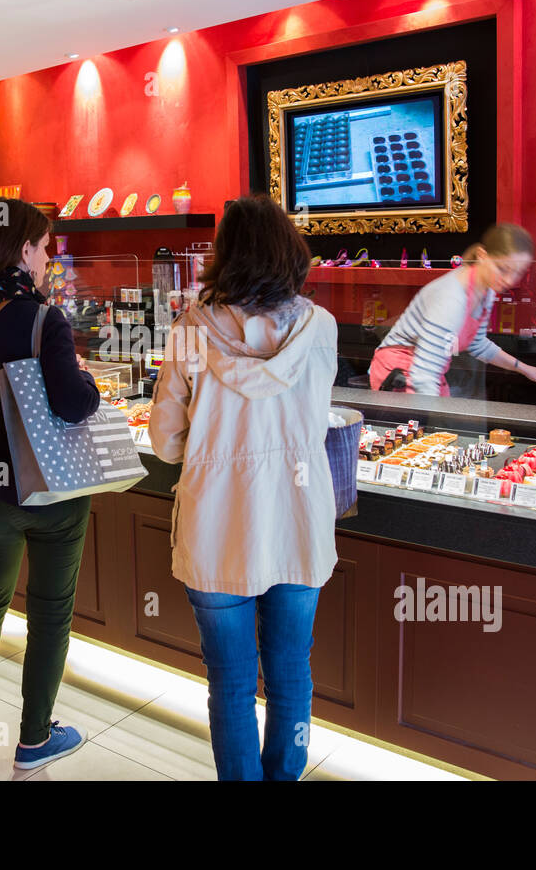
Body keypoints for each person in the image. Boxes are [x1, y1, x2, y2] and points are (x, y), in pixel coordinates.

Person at [149, 194, 339, 781]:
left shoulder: (188, 331)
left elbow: (164, 439)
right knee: (290, 676)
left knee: (230, 684)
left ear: (223, 256)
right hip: (297, 523)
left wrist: (208, 453)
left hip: (216, 526)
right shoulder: (322, 328)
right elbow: (317, 415)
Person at [0, 198, 100, 771]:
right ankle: (34, 737)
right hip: (51, 493)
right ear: (24, 248)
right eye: (46, 245)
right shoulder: (41, 318)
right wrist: (88, 382)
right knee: (50, 613)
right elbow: (73, 403)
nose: (49, 256)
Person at [368, 222, 536, 395]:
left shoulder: (486, 290)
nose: (509, 280)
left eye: (518, 273)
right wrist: (439, 416)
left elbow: (477, 344)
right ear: (482, 255)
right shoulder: (452, 297)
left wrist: (523, 368)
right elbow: (424, 373)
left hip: (426, 373)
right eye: (503, 269)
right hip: (398, 372)